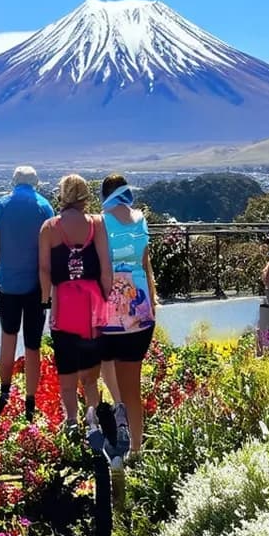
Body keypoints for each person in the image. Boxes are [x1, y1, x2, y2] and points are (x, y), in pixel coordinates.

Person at [39, 174, 113, 431]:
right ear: (85, 196)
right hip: (93, 307)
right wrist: (107, 299)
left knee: (67, 372)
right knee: (91, 375)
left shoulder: (49, 228)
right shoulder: (98, 224)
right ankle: (93, 419)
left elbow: (45, 270)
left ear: (62, 196)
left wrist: (44, 301)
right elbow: (106, 268)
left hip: (64, 304)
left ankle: (71, 421)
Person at [0, 165, 56, 427]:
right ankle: (30, 399)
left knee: (8, 336)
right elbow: (50, 249)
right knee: (33, 344)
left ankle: (4, 391)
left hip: (7, 284)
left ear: (13, 182)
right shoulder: (44, 207)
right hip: (37, 285)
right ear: (35, 182)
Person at [97, 174, 157, 456]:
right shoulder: (141, 220)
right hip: (141, 307)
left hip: (110, 312)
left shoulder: (100, 223)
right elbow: (146, 265)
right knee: (132, 386)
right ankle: (135, 448)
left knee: (104, 379)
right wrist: (153, 302)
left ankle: (113, 442)